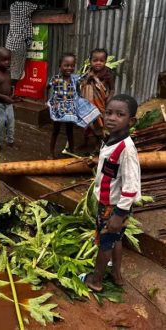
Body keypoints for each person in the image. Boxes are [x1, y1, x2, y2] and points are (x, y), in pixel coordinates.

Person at [85, 94, 141, 292]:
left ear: (131, 121)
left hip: (114, 207)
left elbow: (132, 185)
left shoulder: (126, 149)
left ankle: (96, 280)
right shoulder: (111, 139)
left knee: (105, 243)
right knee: (116, 239)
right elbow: (111, 168)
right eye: (108, 113)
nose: (111, 118)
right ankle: (116, 275)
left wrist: (119, 214)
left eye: (120, 114)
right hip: (111, 205)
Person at [44, 53, 100, 159]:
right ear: (60, 66)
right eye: (66, 65)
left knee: (70, 131)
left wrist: (91, 69)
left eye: (72, 66)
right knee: (55, 131)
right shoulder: (56, 78)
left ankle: (72, 151)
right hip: (58, 109)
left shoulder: (75, 78)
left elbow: (85, 76)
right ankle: (51, 152)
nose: (69, 68)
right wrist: (46, 101)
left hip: (70, 110)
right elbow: (46, 87)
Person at [0, 47, 21, 150]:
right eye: (4, 60)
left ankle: (10, 142)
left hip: (8, 105)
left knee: (11, 124)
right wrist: (4, 97)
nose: (7, 62)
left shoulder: (8, 72)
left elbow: (8, 86)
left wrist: (12, 96)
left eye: (9, 59)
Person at [81, 48, 115, 139]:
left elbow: (112, 89)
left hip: (101, 102)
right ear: (90, 61)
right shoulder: (88, 71)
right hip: (88, 102)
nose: (98, 63)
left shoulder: (108, 73)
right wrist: (89, 77)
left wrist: (108, 100)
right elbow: (83, 84)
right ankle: (85, 142)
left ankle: (97, 144)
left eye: (101, 60)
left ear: (105, 61)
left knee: (99, 123)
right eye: (95, 60)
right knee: (87, 123)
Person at [5, 1, 37, 88]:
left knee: (10, 68)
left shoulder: (12, 5)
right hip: (19, 43)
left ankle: (7, 91)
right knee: (17, 70)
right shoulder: (27, 5)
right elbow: (36, 7)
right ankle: (10, 94)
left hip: (9, 43)